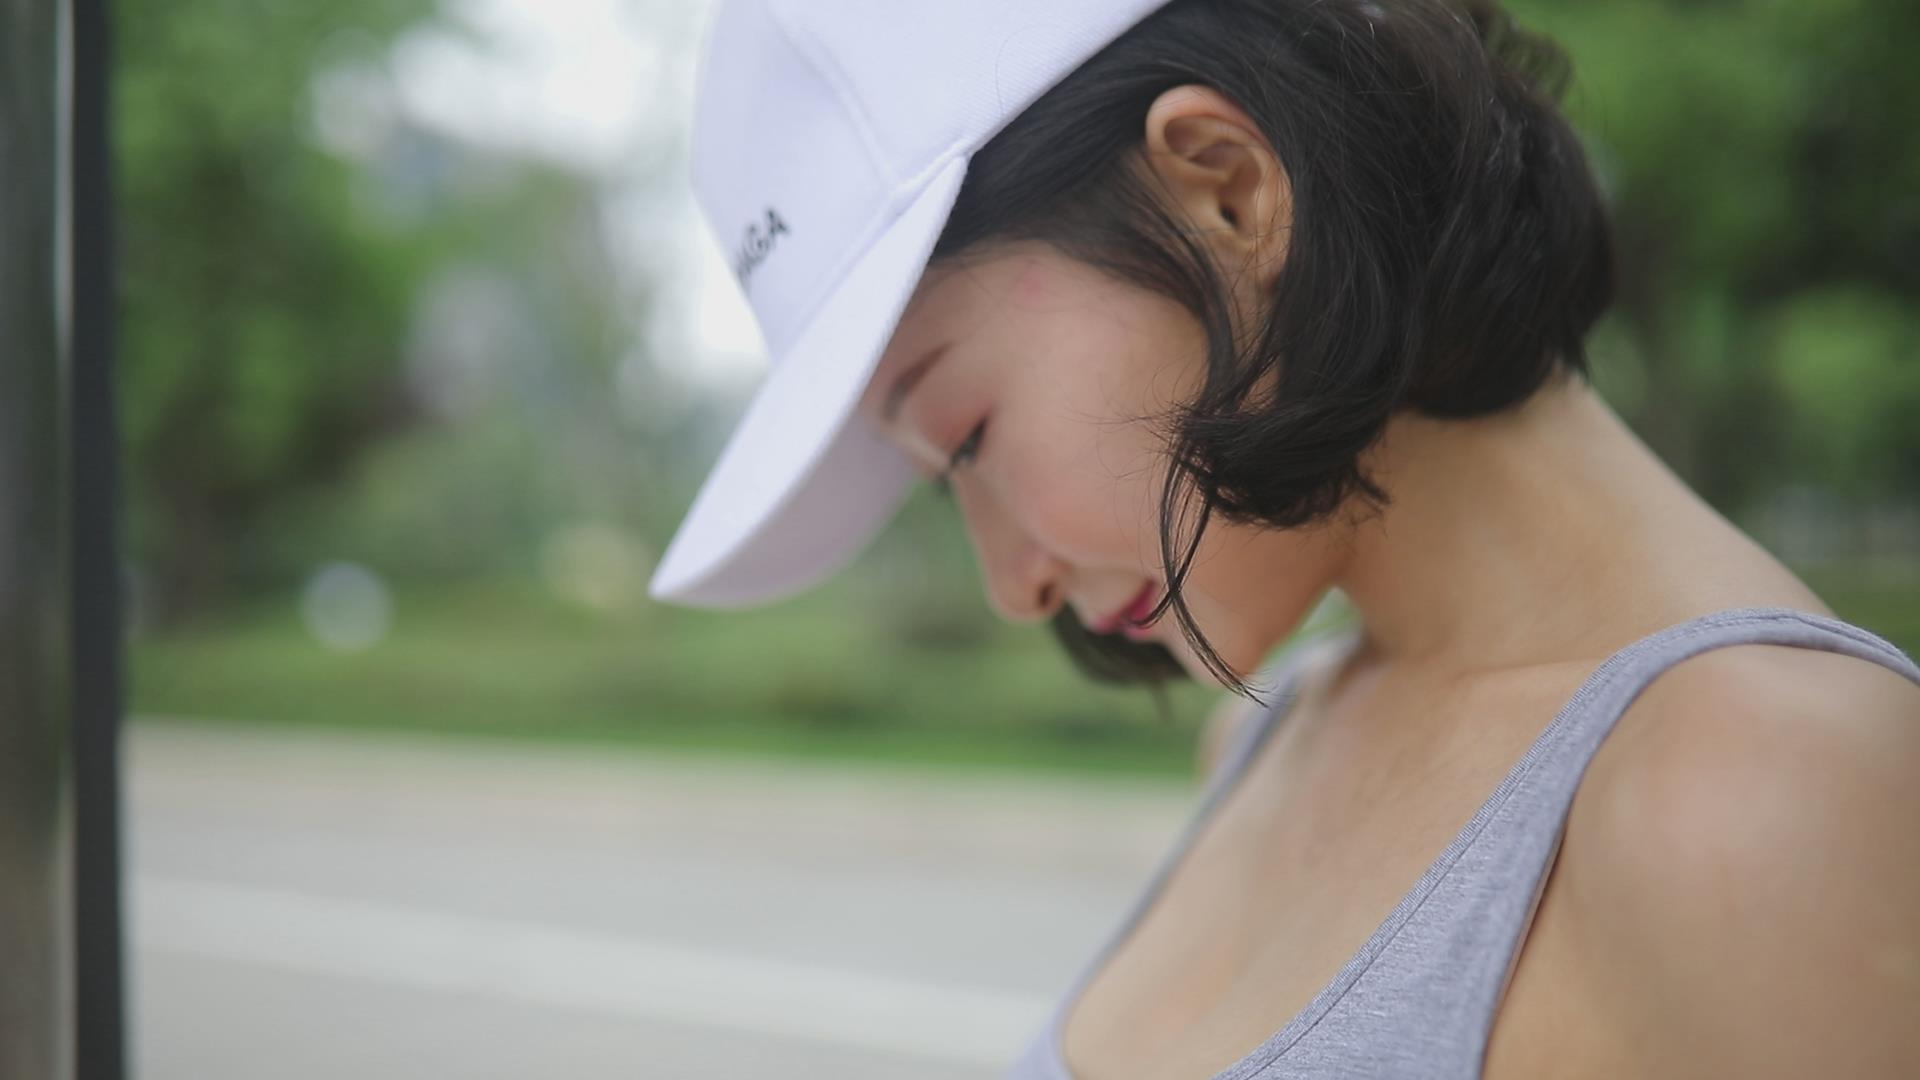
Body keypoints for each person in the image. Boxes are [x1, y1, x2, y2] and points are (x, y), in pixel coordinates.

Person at [648, 0, 1920, 1076]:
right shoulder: (1263, 740)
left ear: (1229, 188)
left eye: (968, 436)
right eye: (945, 484)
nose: (1009, 585)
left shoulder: (1770, 793)